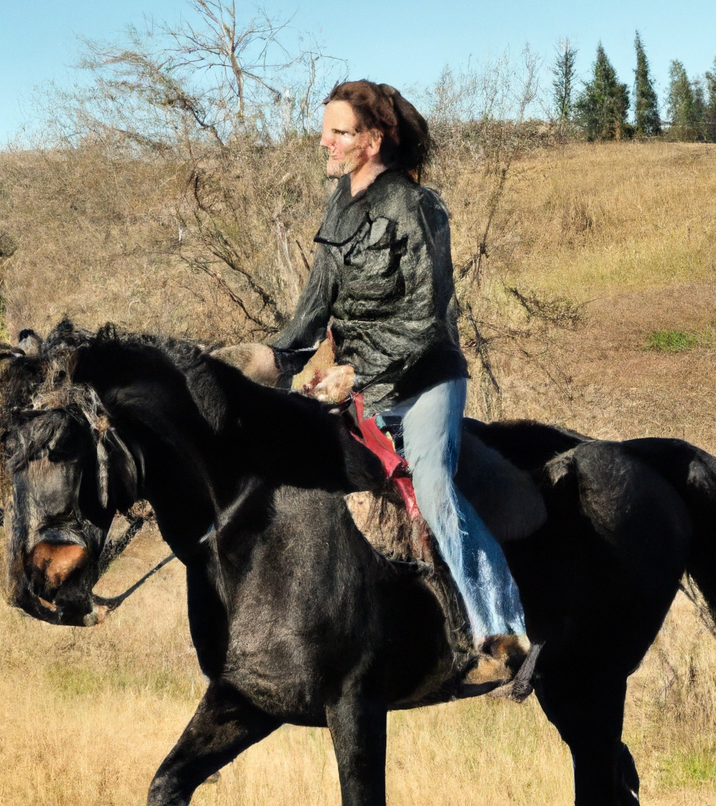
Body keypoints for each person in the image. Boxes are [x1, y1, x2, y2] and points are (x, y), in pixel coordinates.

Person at [225, 81, 529, 669]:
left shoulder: (420, 207)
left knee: (435, 487)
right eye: (326, 130)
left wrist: (354, 371)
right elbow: (311, 314)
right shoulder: (339, 203)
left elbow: (427, 317)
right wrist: (258, 361)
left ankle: (501, 629)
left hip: (424, 382)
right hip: (356, 384)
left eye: (339, 132)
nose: (325, 142)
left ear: (373, 138)